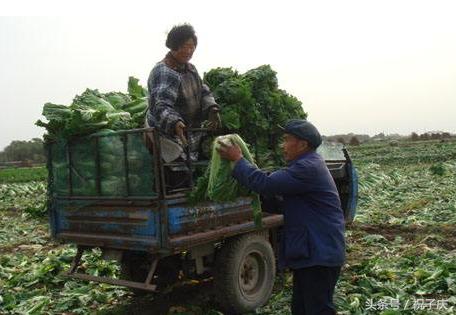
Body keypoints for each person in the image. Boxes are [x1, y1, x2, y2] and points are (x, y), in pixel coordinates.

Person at [217, 119, 345, 315]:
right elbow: (283, 201)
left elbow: (266, 184)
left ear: (302, 144)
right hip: (313, 251)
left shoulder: (306, 168)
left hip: (320, 252)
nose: (282, 146)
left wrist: (238, 160)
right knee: (301, 309)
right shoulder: (306, 164)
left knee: (317, 310)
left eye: (286, 140)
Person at [145, 23, 221, 163]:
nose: (189, 51)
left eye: (192, 46)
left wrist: (212, 108)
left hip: (189, 133)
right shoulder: (164, 71)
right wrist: (175, 122)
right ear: (173, 46)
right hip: (167, 136)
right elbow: (161, 105)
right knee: (176, 177)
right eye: (184, 46)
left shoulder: (191, 69)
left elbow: (203, 91)